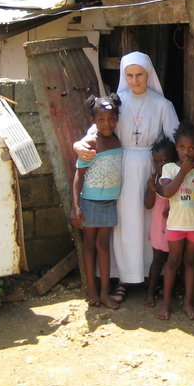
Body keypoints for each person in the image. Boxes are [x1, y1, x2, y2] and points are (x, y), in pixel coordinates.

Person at [74, 52, 179, 302]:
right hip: (120, 168)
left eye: (139, 75)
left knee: (148, 224)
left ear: (148, 74)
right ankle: (123, 277)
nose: (134, 80)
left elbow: (176, 137)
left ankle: (148, 276)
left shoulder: (162, 104)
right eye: (129, 75)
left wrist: (192, 162)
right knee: (124, 224)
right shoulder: (116, 102)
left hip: (150, 168)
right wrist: (77, 145)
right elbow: (93, 133)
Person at [71, 94, 122, 309]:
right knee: (90, 244)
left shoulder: (117, 140)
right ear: (93, 121)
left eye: (111, 119)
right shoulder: (91, 143)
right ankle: (91, 288)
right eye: (101, 120)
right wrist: (76, 206)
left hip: (110, 201)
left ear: (117, 119)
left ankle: (104, 292)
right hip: (90, 202)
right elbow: (78, 176)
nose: (107, 124)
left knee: (104, 245)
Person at [157, 121, 194, 321]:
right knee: (172, 261)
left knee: (190, 262)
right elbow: (167, 191)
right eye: (181, 147)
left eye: (191, 148)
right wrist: (184, 171)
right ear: (176, 147)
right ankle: (166, 303)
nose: (186, 152)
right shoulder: (170, 169)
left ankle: (188, 303)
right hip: (176, 225)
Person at [144, 138, 176, 307]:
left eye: (164, 161)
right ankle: (150, 292)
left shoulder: (177, 179)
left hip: (174, 225)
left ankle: (169, 291)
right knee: (157, 260)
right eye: (156, 161)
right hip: (158, 227)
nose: (160, 165)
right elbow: (148, 205)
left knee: (174, 259)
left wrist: (171, 209)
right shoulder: (154, 179)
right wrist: (151, 190)